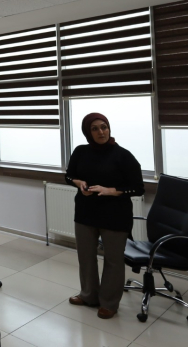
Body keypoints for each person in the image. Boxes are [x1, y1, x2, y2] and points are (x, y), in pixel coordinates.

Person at [66, 113, 144, 320]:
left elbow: (138, 188)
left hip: (115, 216)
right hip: (85, 213)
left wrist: (111, 190)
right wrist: (79, 183)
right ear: (87, 132)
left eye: (104, 127)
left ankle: (109, 303)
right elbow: (69, 175)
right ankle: (89, 295)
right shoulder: (80, 151)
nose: (101, 132)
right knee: (86, 257)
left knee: (113, 260)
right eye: (95, 129)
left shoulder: (123, 156)